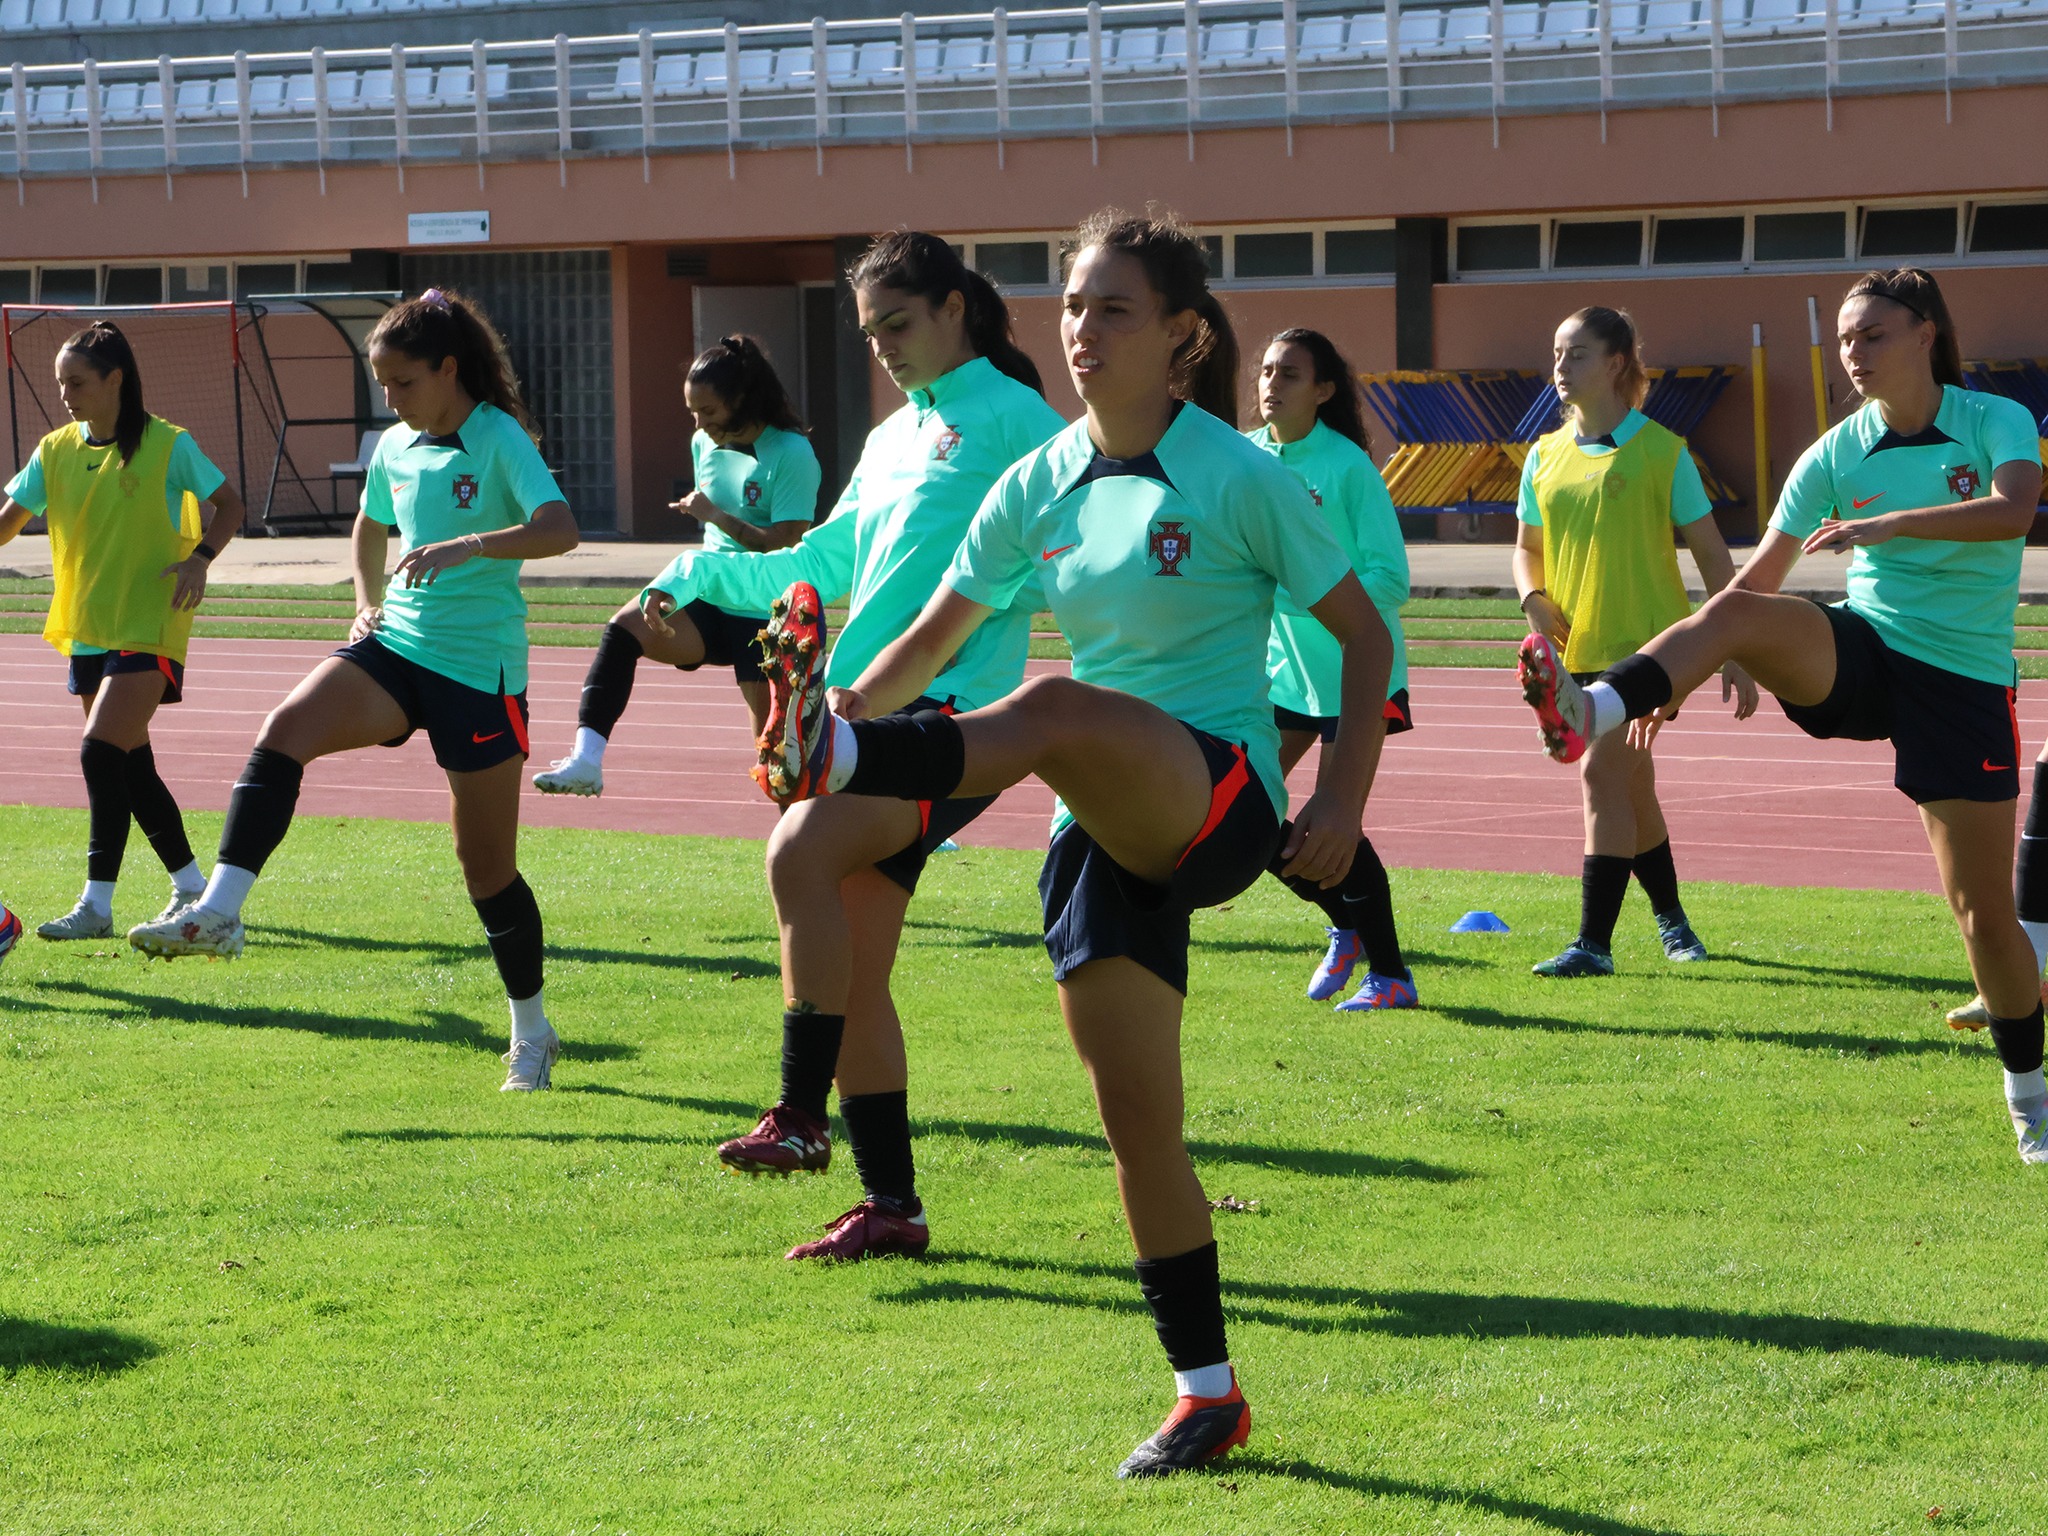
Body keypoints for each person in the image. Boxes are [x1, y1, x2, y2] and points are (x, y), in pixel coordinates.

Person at [751, 208, 1393, 1477]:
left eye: (1111, 309)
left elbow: (1364, 638)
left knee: (1048, 708)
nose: (1081, 331)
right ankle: (1206, 1397)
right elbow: (935, 635)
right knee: (1136, 1121)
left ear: (1182, 337)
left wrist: (1341, 807)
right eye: (1071, 307)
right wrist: (847, 699)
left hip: (1217, 798)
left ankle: (846, 762)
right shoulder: (1036, 481)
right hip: (1098, 830)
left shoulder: (1238, 474)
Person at [1515, 269, 2046, 1161]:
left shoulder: (1994, 420)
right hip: (1864, 657)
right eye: (1845, 339)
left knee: (1982, 915)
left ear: (1925, 333)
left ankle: (2029, 1097)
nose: (1853, 354)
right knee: (1730, 613)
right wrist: (1680, 673)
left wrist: (1893, 526)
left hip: (1961, 682)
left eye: (1872, 334)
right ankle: (1593, 705)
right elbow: (1754, 581)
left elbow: (2014, 510)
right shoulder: (1834, 452)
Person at [646, 234, 1065, 1262]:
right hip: (859, 715)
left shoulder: (1023, 424)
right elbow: (820, 560)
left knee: (797, 850)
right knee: (853, 971)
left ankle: (795, 1116)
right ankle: (892, 1207)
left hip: (949, 720)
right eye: (869, 330)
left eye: (899, 323)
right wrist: (684, 583)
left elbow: (1073, 560)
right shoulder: (892, 435)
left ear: (955, 309)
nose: (881, 346)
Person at [127, 288, 581, 1095]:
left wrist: (470, 544)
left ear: (448, 369)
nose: (392, 400)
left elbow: (559, 528)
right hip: (398, 647)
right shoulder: (398, 447)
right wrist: (365, 602)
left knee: (487, 870)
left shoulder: (499, 436)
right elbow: (370, 524)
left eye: (403, 383)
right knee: (285, 727)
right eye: (382, 386)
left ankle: (533, 1033)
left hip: (480, 672)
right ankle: (222, 911)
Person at [1511, 306, 1755, 979]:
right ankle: (1675, 924)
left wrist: (1733, 648)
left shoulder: (1664, 452)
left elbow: (1712, 557)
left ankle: (1593, 944)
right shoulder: (1544, 456)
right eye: (1557, 354)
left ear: (1617, 363)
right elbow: (1527, 551)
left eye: (1577, 354)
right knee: (1631, 790)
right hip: (1576, 653)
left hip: (1653, 657)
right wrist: (1532, 596)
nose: (1560, 368)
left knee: (1598, 775)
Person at [0, 321, 245, 940]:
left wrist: (200, 558)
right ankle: (192, 886)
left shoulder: (167, 444)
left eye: (76, 382)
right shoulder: (55, 449)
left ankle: (96, 906)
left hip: (149, 623)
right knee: (129, 768)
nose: (65, 394)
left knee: (98, 750)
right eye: (60, 383)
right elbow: (7, 523)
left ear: (116, 380)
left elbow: (231, 505)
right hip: (87, 627)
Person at [534, 336, 820, 794]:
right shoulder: (702, 443)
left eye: (708, 412)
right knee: (624, 628)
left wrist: (715, 516)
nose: (699, 424)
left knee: (778, 764)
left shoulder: (791, 453)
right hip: (707, 597)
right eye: (693, 412)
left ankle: (847, 831)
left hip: (765, 610)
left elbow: (784, 548)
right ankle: (586, 761)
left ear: (742, 400)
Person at [1247, 327, 1419, 1011]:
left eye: (1289, 374)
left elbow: (1390, 578)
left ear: (1322, 391)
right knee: (1239, 811)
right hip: (1282, 678)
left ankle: (1391, 976)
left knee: (1332, 824)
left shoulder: (1347, 468)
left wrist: (1307, 596)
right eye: (1265, 371)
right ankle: (1345, 925)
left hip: (1359, 673)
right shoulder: (1244, 459)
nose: (1271, 384)